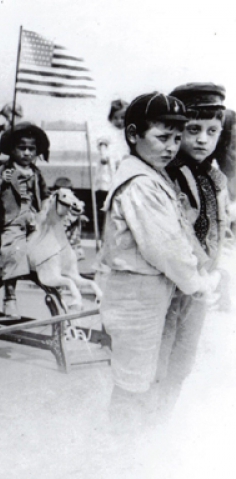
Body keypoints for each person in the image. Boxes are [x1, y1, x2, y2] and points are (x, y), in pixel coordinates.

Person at [97, 92, 220, 431]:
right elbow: (166, 248)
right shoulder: (140, 184)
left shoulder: (153, 176)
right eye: (162, 137)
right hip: (135, 294)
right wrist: (198, 284)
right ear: (133, 134)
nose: (171, 146)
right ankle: (121, 452)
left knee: (148, 374)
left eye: (177, 138)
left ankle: (133, 446)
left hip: (150, 292)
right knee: (134, 379)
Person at [156, 83, 231, 418]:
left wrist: (219, 271)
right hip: (168, 285)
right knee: (158, 358)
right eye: (193, 129)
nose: (203, 139)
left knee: (182, 360)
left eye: (212, 131)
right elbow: (176, 232)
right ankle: (139, 431)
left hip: (200, 287)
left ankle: (162, 423)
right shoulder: (168, 175)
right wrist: (202, 270)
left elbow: (223, 229)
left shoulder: (217, 180)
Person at [0, 122, 50, 317]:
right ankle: (9, 297)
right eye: (22, 148)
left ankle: (55, 287)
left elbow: (45, 195)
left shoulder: (36, 173)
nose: (27, 153)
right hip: (11, 222)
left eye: (32, 149)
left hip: (32, 221)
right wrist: (2, 181)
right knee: (15, 249)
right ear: (12, 150)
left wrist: (44, 211)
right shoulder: (2, 170)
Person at [96, 99, 129, 192]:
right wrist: (103, 154)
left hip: (123, 160)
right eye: (116, 118)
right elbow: (103, 143)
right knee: (108, 181)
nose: (119, 121)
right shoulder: (109, 131)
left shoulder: (127, 132)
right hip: (109, 161)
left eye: (122, 118)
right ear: (110, 118)